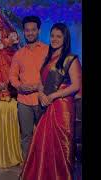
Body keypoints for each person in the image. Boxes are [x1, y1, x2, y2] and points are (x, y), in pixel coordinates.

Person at [20, 23, 82, 180]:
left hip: (62, 108)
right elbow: (42, 82)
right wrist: (41, 94)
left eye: (58, 36)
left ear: (65, 38)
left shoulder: (71, 59)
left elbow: (76, 86)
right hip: (46, 105)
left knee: (61, 145)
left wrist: (53, 96)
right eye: (52, 36)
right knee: (43, 143)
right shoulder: (49, 58)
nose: (54, 39)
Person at [9, 16, 49, 160]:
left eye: (33, 30)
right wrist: (20, 86)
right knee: (26, 135)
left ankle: (44, 165)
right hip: (24, 101)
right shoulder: (19, 54)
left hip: (43, 100)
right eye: (27, 30)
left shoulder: (47, 50)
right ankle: (28, 167)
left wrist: (41, 87)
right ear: (24, 32)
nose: (30, 33)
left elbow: (52, 73)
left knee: (45, 135)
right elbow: (12, 76)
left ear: (38, 30)